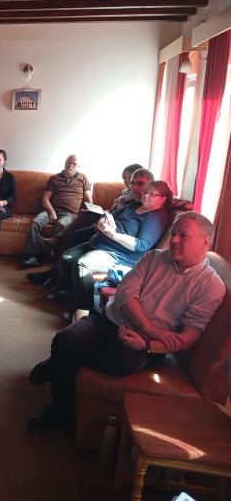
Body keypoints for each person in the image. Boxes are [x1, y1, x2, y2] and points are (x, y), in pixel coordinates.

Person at [27, 211, 225, 431]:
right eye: (173, 234)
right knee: (65, 339)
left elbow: (189, 337)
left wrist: (148, 344)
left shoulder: (211, 287)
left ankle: (57, 363)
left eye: (183, 236)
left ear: (205, 242)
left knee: (121, 362)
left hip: (146, 342)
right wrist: (150, 328)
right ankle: (61, 411)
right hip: (112, 320)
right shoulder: (154, 258)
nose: (174, 240)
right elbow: (124, 293)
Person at [50, 180, 172, 312]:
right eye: (146, 192)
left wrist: (113, 235)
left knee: (82, 265)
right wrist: (102, 222)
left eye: (152, 194)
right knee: (66, 257)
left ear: (163, 199)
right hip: (99, 243)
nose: (146, 195)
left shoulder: (156, 217)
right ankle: (71, 293)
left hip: (119, 255)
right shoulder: (134, 205)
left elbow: (141, 245)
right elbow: (110, 216)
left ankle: (85, 309)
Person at [27, 167, 153, 288]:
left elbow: (138, 239)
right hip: (105, 224)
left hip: (110, 234)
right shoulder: (128, 195)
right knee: (77, 229)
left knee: (78, 229)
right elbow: (114, 212)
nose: (128, 183)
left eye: (129, 179)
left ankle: (54, 262)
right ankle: (54, 269)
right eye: (129, 180)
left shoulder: (139, 200)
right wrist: (104, 216)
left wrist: (106, 221)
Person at [22, 155, 92, 268]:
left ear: (79, 166)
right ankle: (31, 255)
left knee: (61, 225)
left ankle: (48, 255)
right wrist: (51, 211)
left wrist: (89, 214)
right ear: (65, 162)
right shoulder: (54, 178)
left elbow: (88, 198)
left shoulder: (83, 178)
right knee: (35, 223)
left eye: (74, 163)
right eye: (68, 162)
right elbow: (45, 199)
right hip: (51, 210)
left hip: (69, 214)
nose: (70, 165)